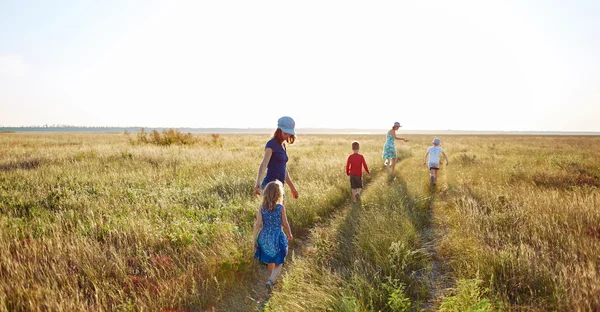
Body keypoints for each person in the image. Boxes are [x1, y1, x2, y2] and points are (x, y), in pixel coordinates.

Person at [253, 180, 293, 294]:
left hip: (264, 237)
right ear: (279, 194)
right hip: (277, 237)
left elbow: (258, 224)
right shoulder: (280, 207)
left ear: (266, 194)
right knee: (279, 262)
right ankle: (271, 281)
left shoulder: (261, 208)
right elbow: (285, 223)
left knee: (270, 260)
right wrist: (289, 233)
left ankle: (271, 281)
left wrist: (255, 240)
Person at [254, 116, 299, 199]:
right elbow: (264, 163)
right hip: (269, 187)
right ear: (279, 130)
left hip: (280, 187)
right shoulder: (271, 144)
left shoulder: (283, 145)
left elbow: (284, 170)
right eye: (285, 133)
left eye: (289, 133)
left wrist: (292, 188)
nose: (287, 136)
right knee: (271, 211)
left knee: (282, 211)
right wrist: (257, 182)